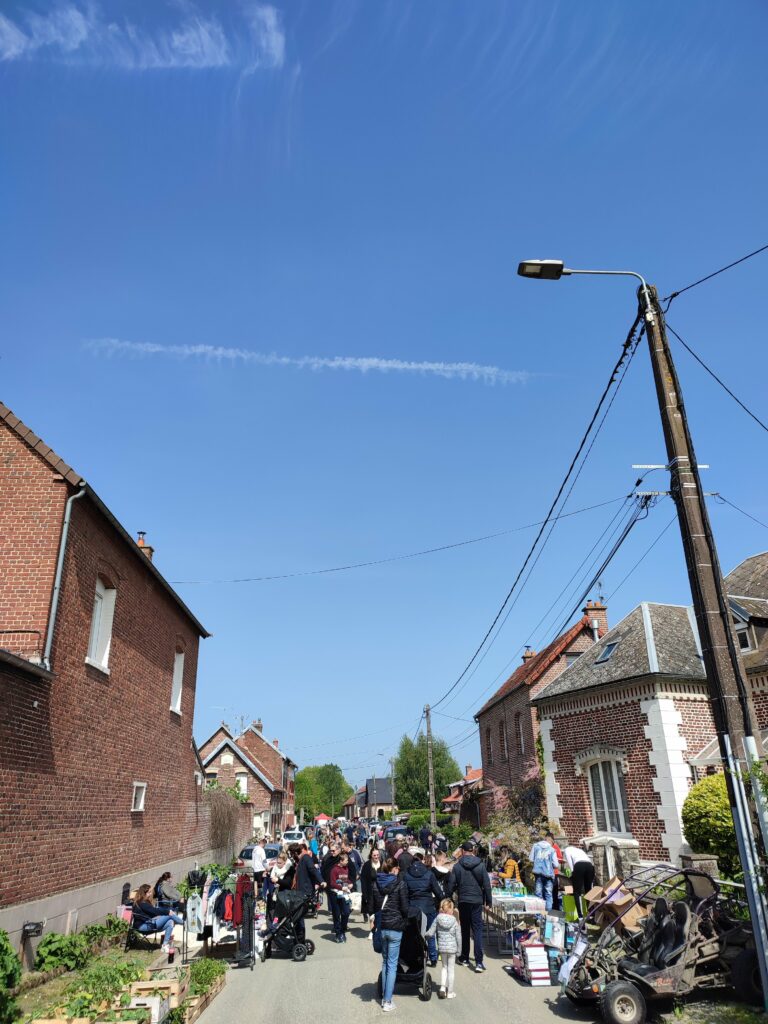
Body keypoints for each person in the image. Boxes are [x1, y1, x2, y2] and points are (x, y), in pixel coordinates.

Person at [447, 840, 492, 972]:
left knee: (465, 929)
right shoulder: (481, 865)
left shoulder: (457, 866)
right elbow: (487, 884)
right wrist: (488, 901)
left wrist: (449, 898)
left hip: (463, 900)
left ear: (462, 851)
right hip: (477, 900)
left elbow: (451, 884)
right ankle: (478, 962)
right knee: (477, 930)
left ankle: (465, 957)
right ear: (473, 850)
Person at [373, 857, 410, 1013]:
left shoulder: (376, 883)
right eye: (398, 869)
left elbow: (375, 905)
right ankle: (387, 1001)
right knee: (392, 965)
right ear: (394, 869)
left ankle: (384, 996)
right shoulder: (400, 884)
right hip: (395, 927)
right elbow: (405, 908)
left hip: (382, 926)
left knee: (385, 962)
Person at [404, 850, 443, 966]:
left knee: (414, 934)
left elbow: (405, 894)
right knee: (430, 934)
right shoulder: (429, 874)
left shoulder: (406, 875)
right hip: (428, 907)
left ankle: (416, 957)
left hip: (413, 909)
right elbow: (438, 892)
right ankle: (433, 957)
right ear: (422, 861)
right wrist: (443, 901)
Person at [426, 898, 461, 999]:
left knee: (444, 968)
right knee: (451, 970)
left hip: (442, 948)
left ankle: (442, 988)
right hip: (452, 949)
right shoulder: (454, 921)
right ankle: (450, 992)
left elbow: (430, 933)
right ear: (450, 909)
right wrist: (459, 950)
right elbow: (458, 937)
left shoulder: (437, 918)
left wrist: (424, 935)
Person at [132, 884, 183, 953]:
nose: (151, 894)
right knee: (170, 914)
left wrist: (161, 915)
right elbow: (155, 911)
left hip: (149, 924)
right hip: (144, 926)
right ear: (144, 893)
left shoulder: (143, 902)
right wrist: (167, 912)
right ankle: (184, 923)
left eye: (151, 892)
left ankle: (164, 946)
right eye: (149, 892)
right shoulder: (142, 903)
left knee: (170, 922)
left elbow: (152, 913)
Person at [563, 842, 595, 917]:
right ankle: (591, 914)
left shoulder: (567, 849)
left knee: (577, 892)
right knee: (588, 890)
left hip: (579, 865)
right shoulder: (580, 850)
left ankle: (580, 915)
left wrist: (572, 872)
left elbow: (570, 862)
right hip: (589, 865)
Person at [529, 834, 559, 911]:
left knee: (538, 894)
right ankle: (548, 917)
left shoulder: (535, 846)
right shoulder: (552, 850)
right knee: (548, 895)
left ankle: (538, 917)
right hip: (548, 875)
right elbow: (556, 864)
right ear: (551, 841)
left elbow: (531, 859)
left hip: (538, 873)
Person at [329, 852, 353, 942]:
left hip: (344, 895)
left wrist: (350, 883)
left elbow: (346, 879)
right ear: (341, 861)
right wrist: (341, 887)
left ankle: (342, 930)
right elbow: (332, 883)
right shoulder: (334, 870)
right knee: (336, 914)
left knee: (346, 912)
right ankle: (338, 934)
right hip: (335, 894)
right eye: (346, 860)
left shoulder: (346, 868)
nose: (348, 862)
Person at [361, 848, 382, 922]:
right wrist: (364, 894)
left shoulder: (382, 864)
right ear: (371, 855)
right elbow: (363, 880)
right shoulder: (367, 865)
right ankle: (372, 931)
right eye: (374, 855)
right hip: (370, 893)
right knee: (371, 913)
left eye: (377, 855)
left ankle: (378, 930)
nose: (376, 857)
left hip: (380, 893)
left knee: (380, 913)